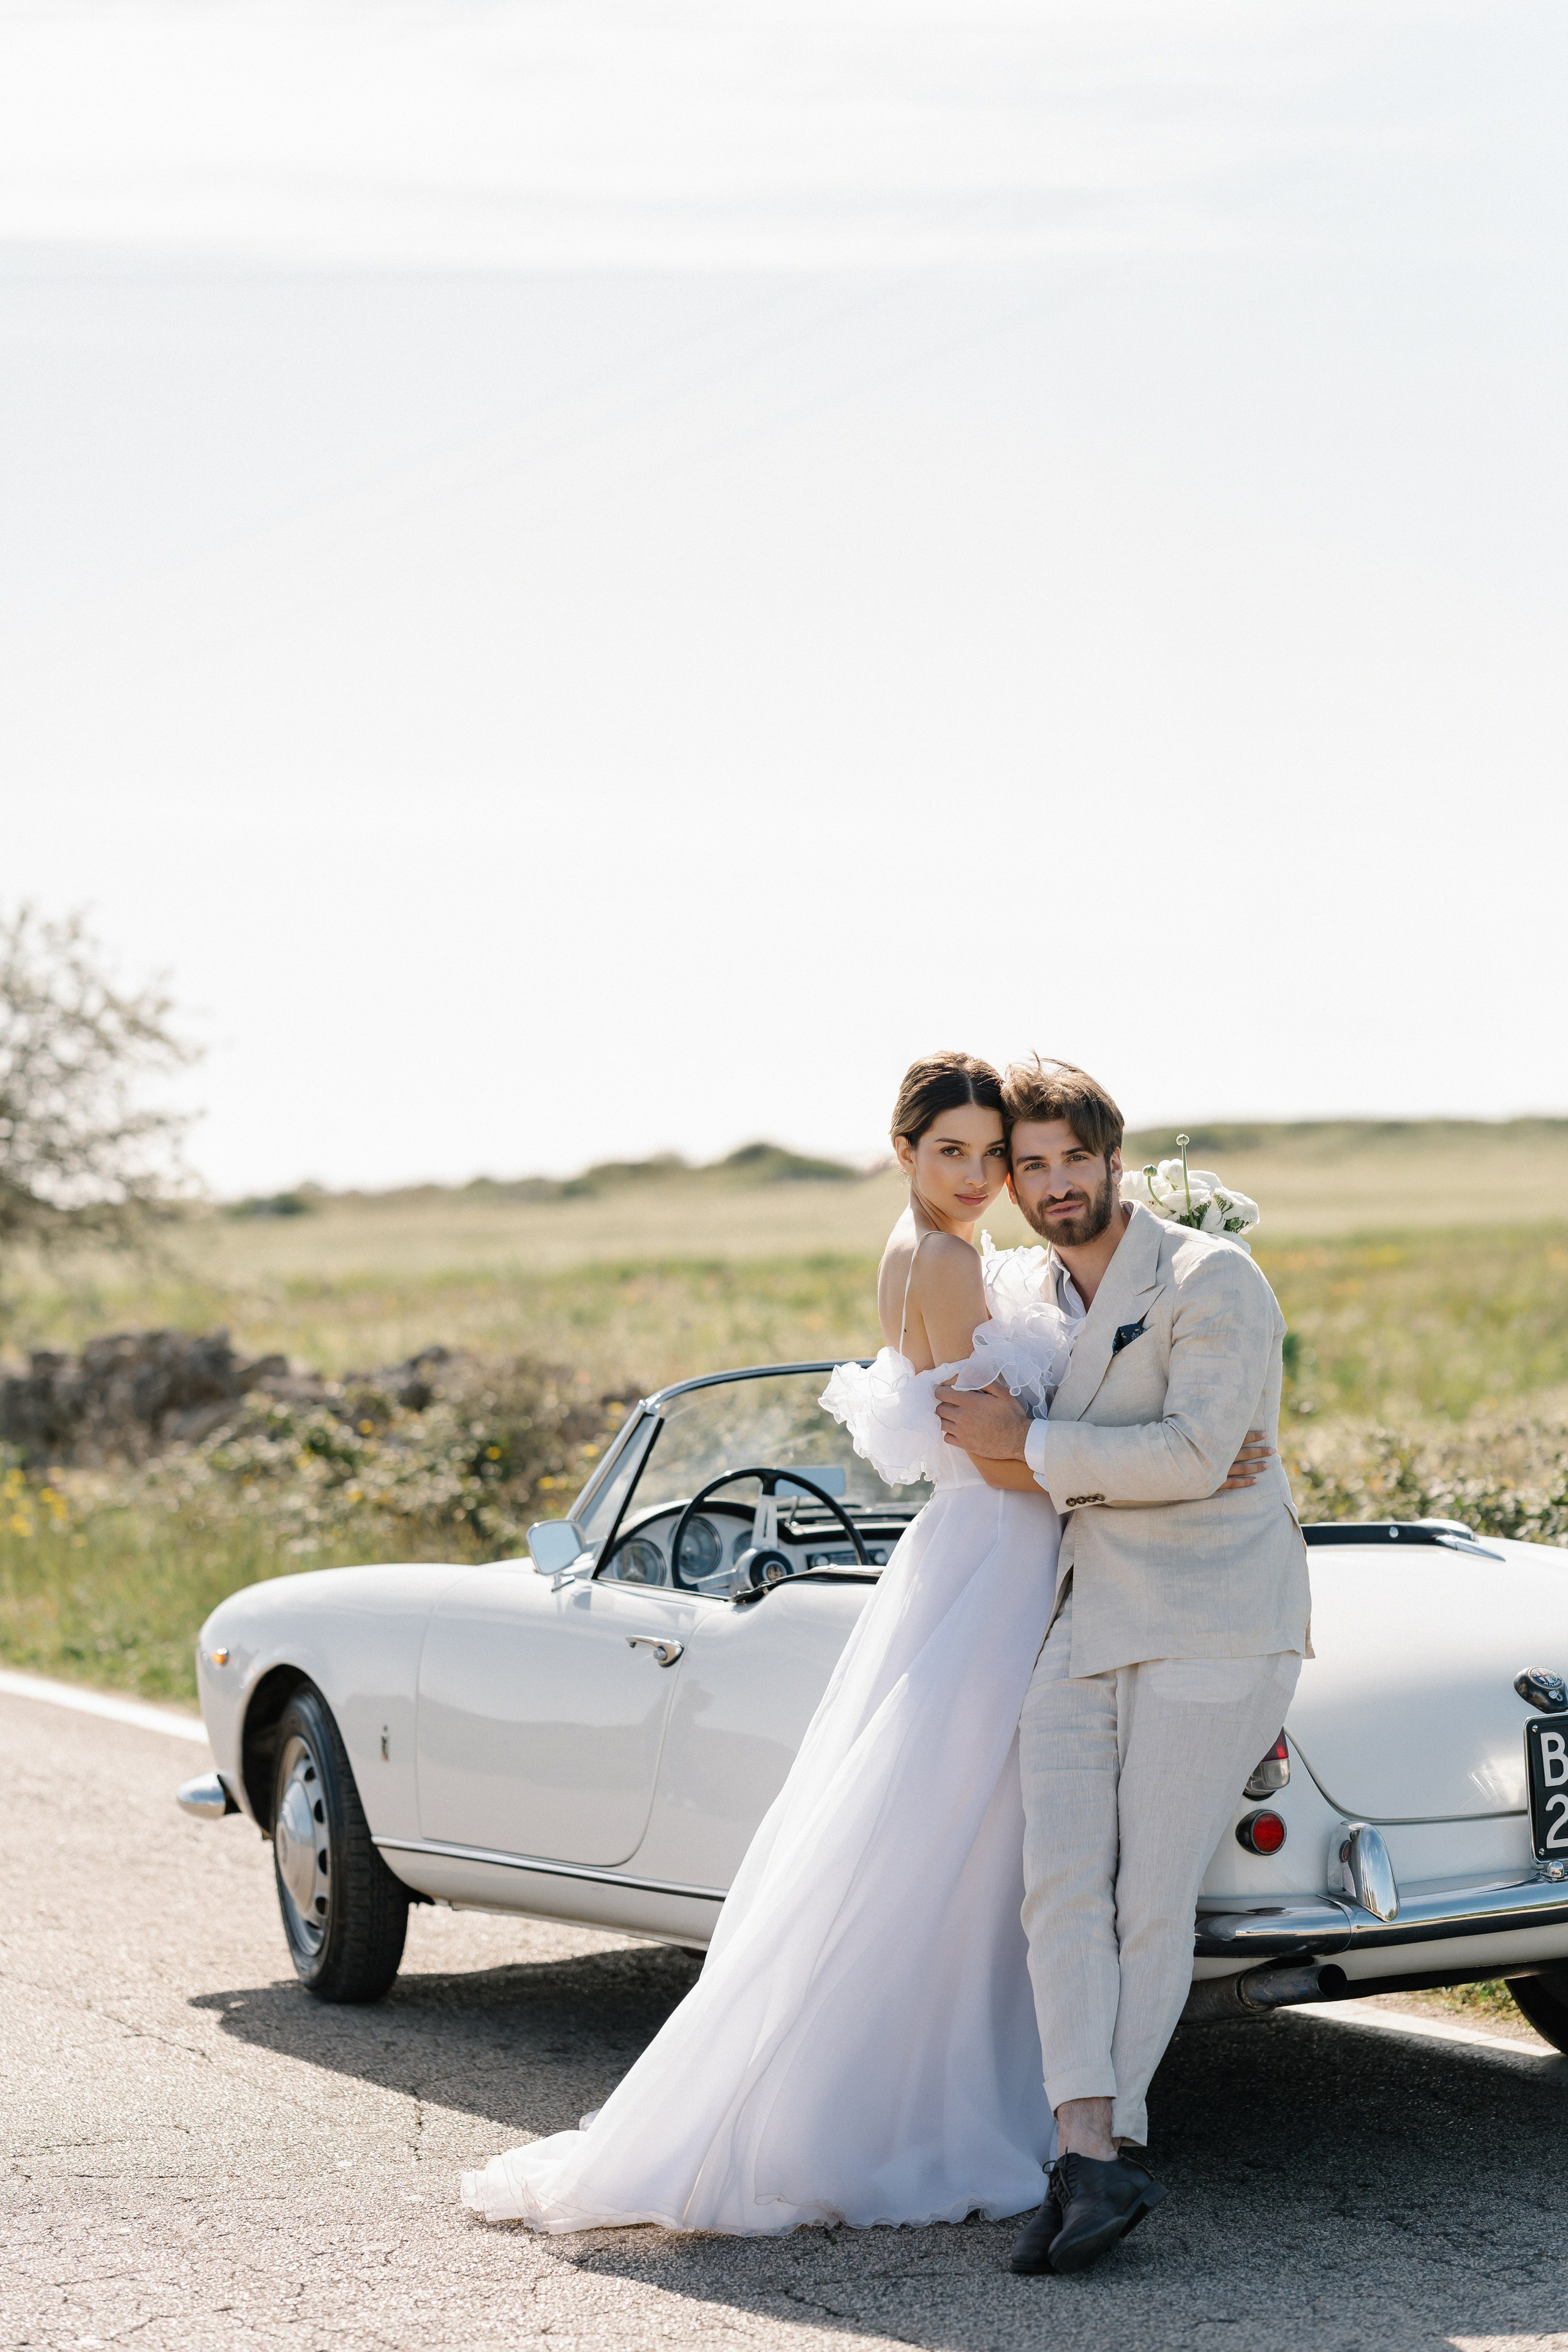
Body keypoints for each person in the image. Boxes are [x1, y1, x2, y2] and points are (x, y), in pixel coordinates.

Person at [459, 1052, 1266, 2239]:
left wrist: (1140, 1450)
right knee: (964, 1848)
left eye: (1000, 1156)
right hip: (1002, 1547)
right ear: (902, 1151)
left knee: (955, 1846)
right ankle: (940, 2117)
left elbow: (1012, 1426)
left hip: (989, 1549)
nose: (985, 1177)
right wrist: (1171, 1468)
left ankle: (1006, 2110)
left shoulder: (937, 1252)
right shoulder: (941, 1261)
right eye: (960, 1154)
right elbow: (993, 1447)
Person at [936, 1058, 1310, 2276]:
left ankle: (1090, 2157)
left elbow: (1201, 1452)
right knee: (1056, 1889)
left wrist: (1037, 1443)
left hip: (1212, 1619)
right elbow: (1147, 1454)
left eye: (1068, 1160)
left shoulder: (1211, 1278)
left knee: (1148, 1895)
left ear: (1111, 1158)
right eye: (1024, 1166)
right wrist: (1095, 1453)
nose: (1050, 1186)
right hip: (1082, 1619)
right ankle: (1084, 2152)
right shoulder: (1023, 1289)